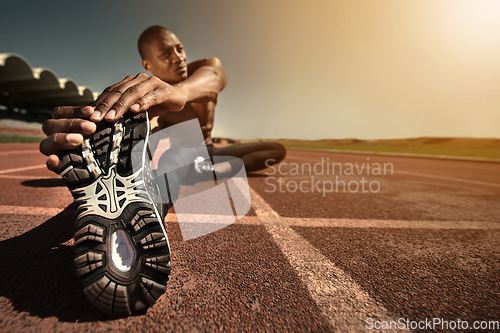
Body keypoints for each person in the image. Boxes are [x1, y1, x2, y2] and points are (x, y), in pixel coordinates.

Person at [40, 25, 286, 176]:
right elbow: (148, 137)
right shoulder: (146, 99)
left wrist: (179, 92)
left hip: (210, 152)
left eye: (179, 48)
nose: (178, 57)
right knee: (174, 160)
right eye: (166, 54)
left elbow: (215, 77)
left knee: (276, 150)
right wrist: (95, 129)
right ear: (148, 65)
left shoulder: (206, 67)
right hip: (184, 155)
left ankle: (208, 172)